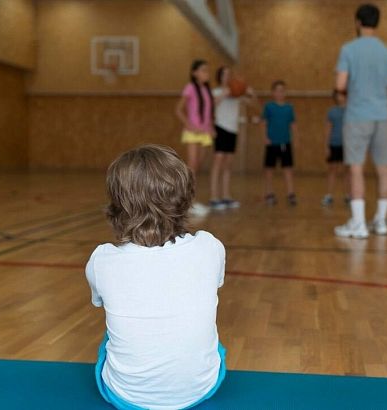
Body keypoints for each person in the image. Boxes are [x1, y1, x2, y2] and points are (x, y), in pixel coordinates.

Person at [86, 145, 226, 410]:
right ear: (186, 197)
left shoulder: (101, 259)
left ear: (118, 204)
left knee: (112, 333)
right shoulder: (210, 246)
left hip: (125, 397)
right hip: (202, 389)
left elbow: (99, 302)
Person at [334, 3, 387, 238]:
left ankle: (359, 224)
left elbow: (340, 85)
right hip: (382, 116)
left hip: (357, 116)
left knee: (356, 168)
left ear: (358, 22)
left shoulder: (349, 49)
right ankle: (381, 222)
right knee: (384, 168)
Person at [209, 66, 257, 210]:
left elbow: (253, 103)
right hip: (220, 128)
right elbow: (211, 106)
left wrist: (251, 93)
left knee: (228, 164)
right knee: (218, 162)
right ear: (219, 76)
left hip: (233, 129)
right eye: (224, 74)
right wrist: (225, 93)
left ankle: (226, 196)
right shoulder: (216, 92)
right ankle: (214, 197)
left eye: (229, 74)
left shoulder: (237, 93)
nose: (227, 77)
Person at [175, 60, 215, 216]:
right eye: (203, 70)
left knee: (197, 167)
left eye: (207, 70)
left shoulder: (206, 89)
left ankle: (188, 201)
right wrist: (189, 125)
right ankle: (188, 202)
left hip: (204, 133)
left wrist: (210, 127)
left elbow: (208, 112)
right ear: (194, 73)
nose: (206, 73)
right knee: (191, 168)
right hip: (193, 133)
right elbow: (178, 109)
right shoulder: (190, 88)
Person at [262, 80, 298, 206]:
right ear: (273, 93)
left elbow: (293, 124)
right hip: (272, 143)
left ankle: (290, 194)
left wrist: (296, 139)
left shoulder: (289, 108)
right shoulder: (269, 107)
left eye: (282, 91)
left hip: (285, 142)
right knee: (269, 170)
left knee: (288, 169)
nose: (280, 93)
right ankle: (269, 193)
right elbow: (264, 123)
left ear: (285, 92)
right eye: (277, 90)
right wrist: (265, 137)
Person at [322, 89, 350, 206]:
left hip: (348, 145)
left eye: (342, 95)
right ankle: (329, 195)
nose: (340, 98)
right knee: (332, 170)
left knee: (347, 171)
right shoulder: (332, 112)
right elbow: (327, 130)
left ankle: (348, 196)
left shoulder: (352, 111)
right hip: (334, 144)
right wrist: (326, 146)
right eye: (337, 96)